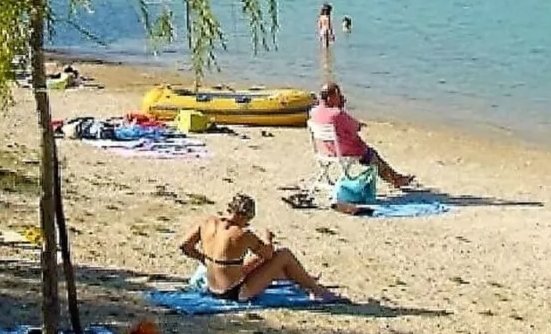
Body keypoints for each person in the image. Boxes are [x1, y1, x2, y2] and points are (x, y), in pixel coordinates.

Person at [177, 194, 343, 303]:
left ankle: (301, 278)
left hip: (212, 286)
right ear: (243, 216)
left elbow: (184, 245)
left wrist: (204, 259)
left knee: (254, 260)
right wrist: (267, 238)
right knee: (284, 255)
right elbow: (269, 254)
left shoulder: (207, 222)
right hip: (235, 293)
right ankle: (317, 291)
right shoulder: (242, 234)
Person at [309, 83, 415, 188]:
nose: (340, 97)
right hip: (343, 151)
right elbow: (356, 127)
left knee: (369, 153)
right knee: (372, 155)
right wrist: (341, 108)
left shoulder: (314, 112)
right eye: (338, 95)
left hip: (324, 150)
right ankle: (396, 179)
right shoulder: (337, 114)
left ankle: (395, 178)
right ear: (331, 97)